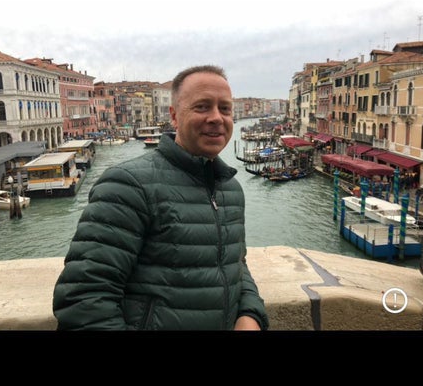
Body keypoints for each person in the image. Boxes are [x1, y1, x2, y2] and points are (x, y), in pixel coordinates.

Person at [52, 64, 269, 331]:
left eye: (225, 109)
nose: (216, 117)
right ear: (174, 116)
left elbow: (236, 266)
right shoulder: (127, 185)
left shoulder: (231, 189)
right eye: (202, 107)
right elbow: (83, 299)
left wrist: (250, 315)